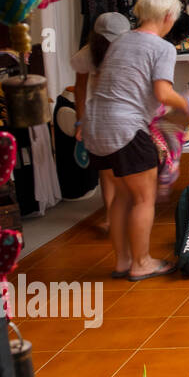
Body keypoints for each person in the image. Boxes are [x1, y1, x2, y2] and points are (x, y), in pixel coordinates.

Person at [83, 0, 189, 281]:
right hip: (126, 128)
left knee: (121, 197)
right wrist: (187, 102)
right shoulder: (162, 48)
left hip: (98, 127)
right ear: (169, 16)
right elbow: (162, 91)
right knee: (144, 199)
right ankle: (141, 262)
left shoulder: (121, 41)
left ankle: (122, 262)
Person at [71, 12, 130, 234]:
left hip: (119, 116)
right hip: (105, 117)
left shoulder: (125, 50)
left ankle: (120, 214)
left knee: (118, 170)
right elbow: (79, 87)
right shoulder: (88, 54)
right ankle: (113, 215)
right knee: (110, 171)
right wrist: (80, 121)